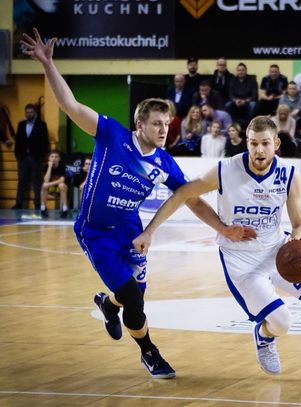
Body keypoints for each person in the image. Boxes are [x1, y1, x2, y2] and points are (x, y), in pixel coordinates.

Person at [20, 29, 252, 379]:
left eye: (167, 124)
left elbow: (190, 199)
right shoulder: (111, 134)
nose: (163, 129)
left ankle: (107, 303)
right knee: (133, 298)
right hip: (95, 232)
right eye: (156, 123)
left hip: (132, 231)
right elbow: (70, 105)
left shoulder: (164, 163)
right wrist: (48, 64)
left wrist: (223, 228)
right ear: (139, 124)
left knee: (131, 296)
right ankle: (149, 353)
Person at [133, 116, 301, 381]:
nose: (259, 150)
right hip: (240, 260)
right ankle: (264, 335)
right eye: (253, 143)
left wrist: (297, 239)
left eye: (265, 143)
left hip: (278, 251)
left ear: (276, 144)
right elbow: (184, 194)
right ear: (246, 143)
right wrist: (213, 228)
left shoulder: (289, 174)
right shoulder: (225, 170)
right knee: (282, 322)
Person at [13, 102, 49, 209]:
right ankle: (19, 203)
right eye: (27, 112)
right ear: (25, 113)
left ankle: (37, 203)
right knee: (21, 180)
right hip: (22, 157)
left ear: (35, 113)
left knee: (36, 180)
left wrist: (42, 155)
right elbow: (18, 141)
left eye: (31, 112)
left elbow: (45, 141)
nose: (29, 114)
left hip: (35, 157)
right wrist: (17, 154)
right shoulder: (21, 124)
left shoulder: (41, 125)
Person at [40, 149, 68, 218]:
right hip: (51, 188)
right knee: (44, 185)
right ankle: (43, 208)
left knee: (61, 185)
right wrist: (49, 167)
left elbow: (62, 180)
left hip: (61, 187)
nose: (54, 158)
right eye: (52, 156)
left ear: (59, 159)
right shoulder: (46, 166)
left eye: (56, 157)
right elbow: (46, 180)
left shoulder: (62, 166)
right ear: (49, 158)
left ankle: (65, 208)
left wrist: (48, 184)